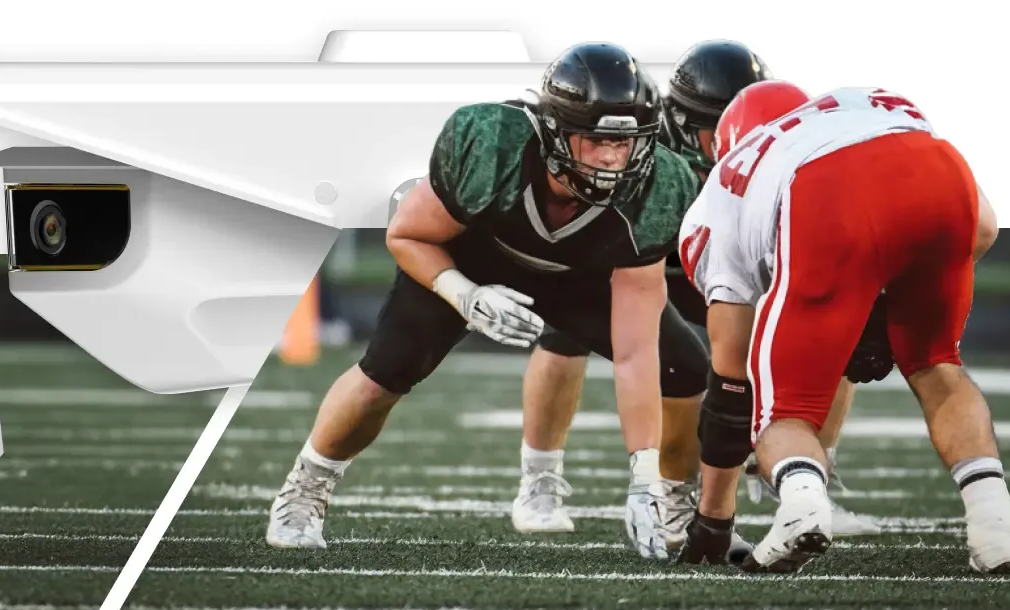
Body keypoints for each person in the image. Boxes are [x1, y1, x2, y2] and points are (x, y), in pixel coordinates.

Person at [265, 42, 702, 559]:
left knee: (683, 367)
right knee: (385, 372)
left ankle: (669, 502)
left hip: (579, 277)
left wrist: (642, 473)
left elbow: (635, 351)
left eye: (625, 142)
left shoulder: (657, 187)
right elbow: (406, 235)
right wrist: (464, 293)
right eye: (594, 139)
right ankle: (305, 489)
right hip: (471, 259)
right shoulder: (494, 147)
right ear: (557, 129)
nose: (612, 157)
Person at [510, 40, 876, 555]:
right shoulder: (639, 152)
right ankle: (539, 480)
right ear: (681, 123)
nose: (741, 141)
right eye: (717, 128)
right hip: (649, 263)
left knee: (833, 325)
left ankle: (809, 476)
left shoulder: (776, 154)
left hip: (731, 270)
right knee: (567, 330)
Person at [673, 80, 1010, 574]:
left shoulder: (727, 185)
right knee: (937, 366)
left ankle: (802, 507)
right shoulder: (866, 101)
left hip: (826, 193)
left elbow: (731, 380)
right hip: (939, 171)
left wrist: (712, 521)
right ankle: (998, 526)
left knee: (783, 410)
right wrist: (883, 306)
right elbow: (983, 228)